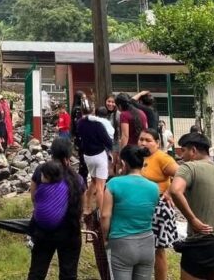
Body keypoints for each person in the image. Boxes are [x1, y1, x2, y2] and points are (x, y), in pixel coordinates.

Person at [169, 132, 214, 280]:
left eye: (183, 150)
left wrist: (192, 219)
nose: (181, 156)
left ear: (193, 150)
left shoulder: (188, 167)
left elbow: (175, 191)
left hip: (201, 242)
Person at [28, 137, 86, 280]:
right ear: (69, 155)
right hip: (70, 230)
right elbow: (81, 205)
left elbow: (34, 196)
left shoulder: (42, 170)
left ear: (52, 152)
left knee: (37, 271)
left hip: (43, 230)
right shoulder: (77, 178)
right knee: (69, 274)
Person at [101, 145, 159, 280]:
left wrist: (105, 237)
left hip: (121, 243)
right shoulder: (154, 187)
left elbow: (105, 215)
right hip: (147, 243)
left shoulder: (114, 183)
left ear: (123, 163)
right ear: (143, 163)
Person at [138, 128, 180, 280]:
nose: (143, 143)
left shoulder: (163, 158)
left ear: (157, 143)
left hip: (158, 209)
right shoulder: (138, 157)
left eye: (148, 140)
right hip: (139, 207)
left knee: (158, 250)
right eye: (141, 139)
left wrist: (169, 192)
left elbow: (182, 175)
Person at [76, 102, 113, 213]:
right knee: (100, 187)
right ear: (93, 111)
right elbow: (108, 141)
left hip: (87, 156)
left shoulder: (80, 123)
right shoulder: (98, 124)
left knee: (93, 181)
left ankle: (86, 207)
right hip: (99, 155)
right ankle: (101, 213)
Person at [105, 95, 121, 176]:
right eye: (109, 101)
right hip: (104, 144)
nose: (110, 104)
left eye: (113, 102)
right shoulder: (102, 113)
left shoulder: (118, 115)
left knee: (113, 164)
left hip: (115, 143)